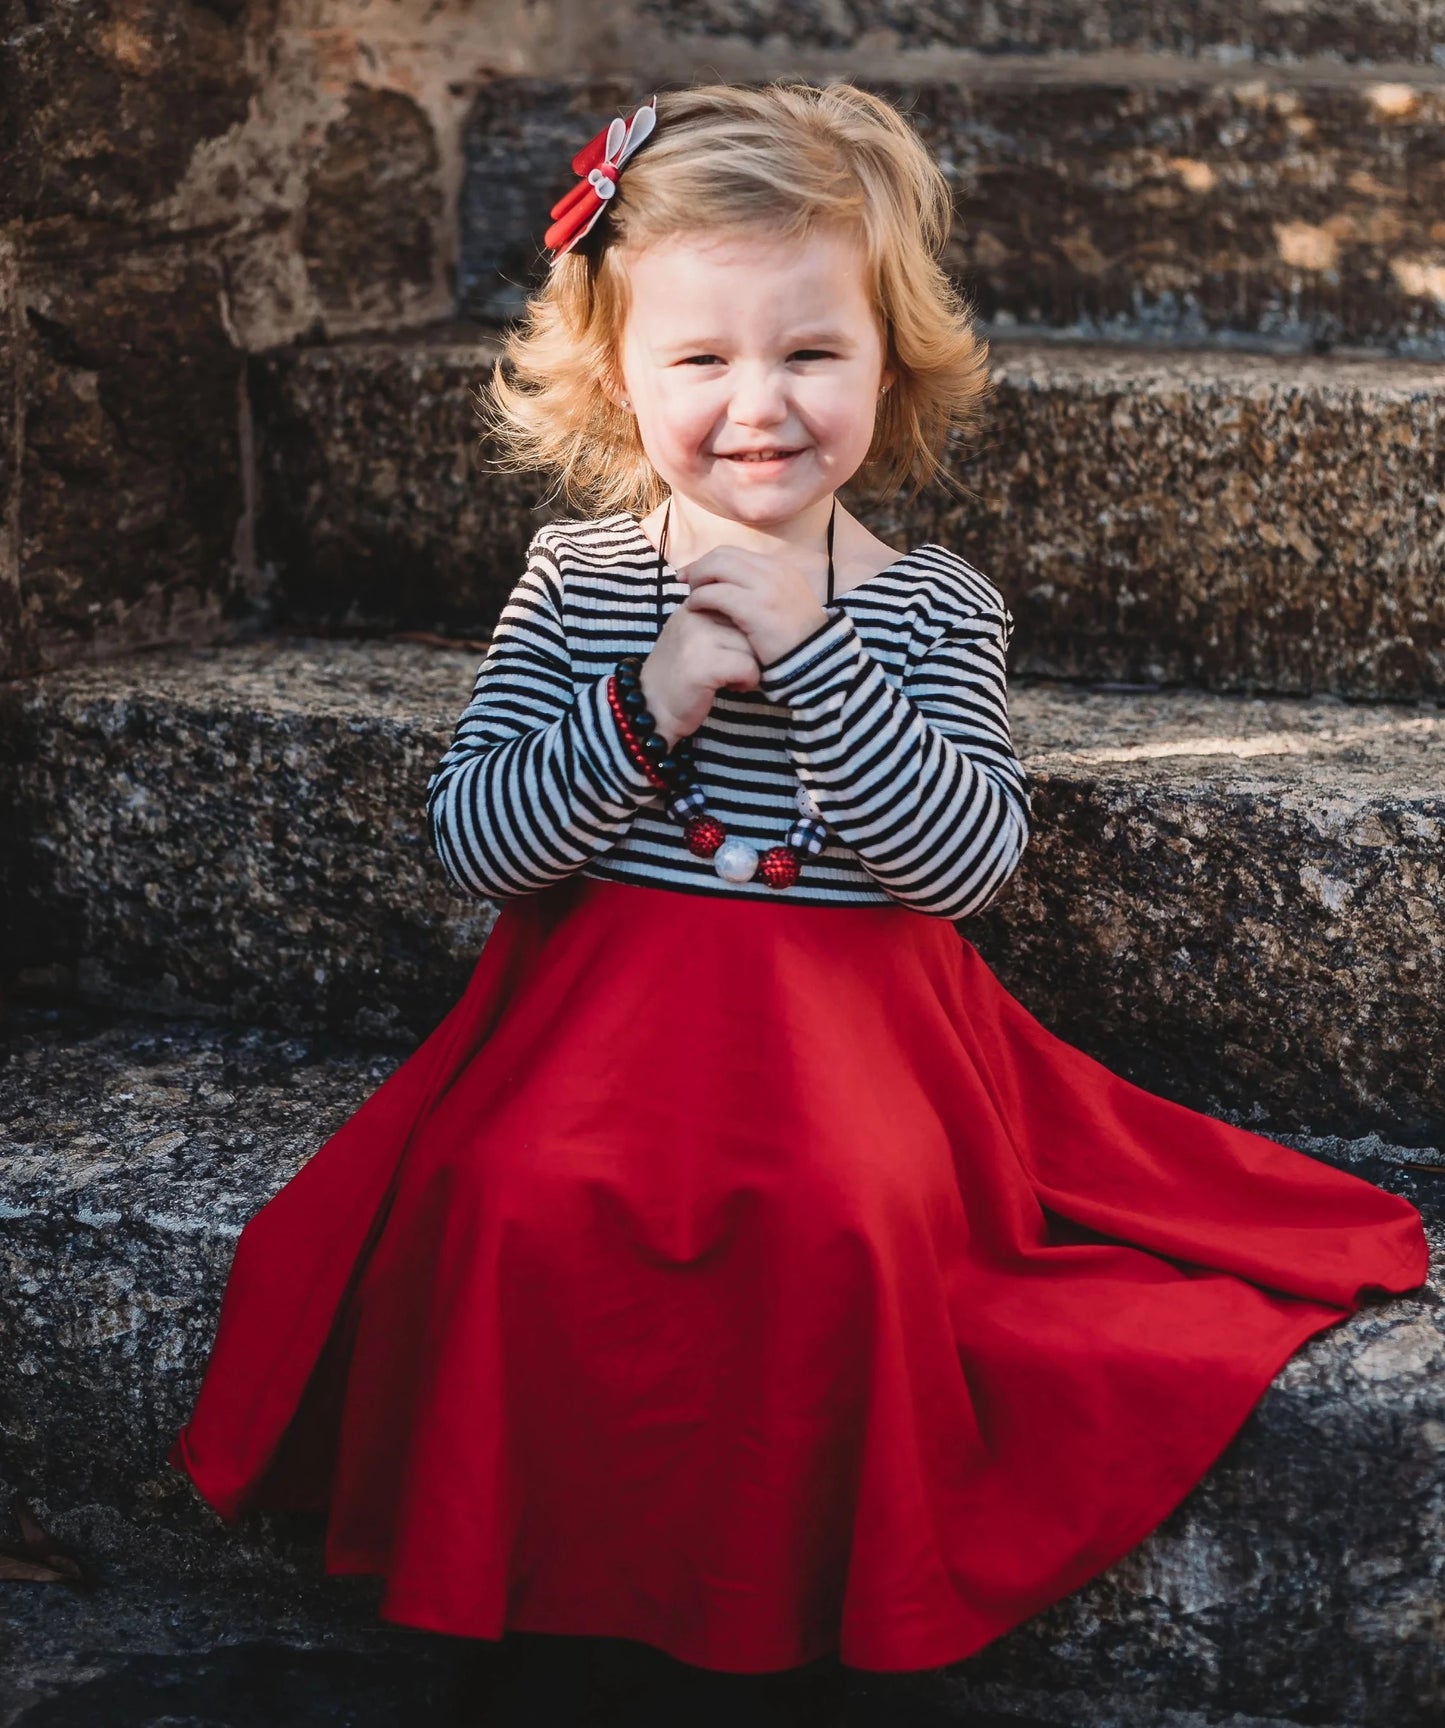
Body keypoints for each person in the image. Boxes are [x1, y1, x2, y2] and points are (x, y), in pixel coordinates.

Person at [168, 82, 1430, 1728]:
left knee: (843, 1213)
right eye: (699, 360)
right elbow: (478, 840)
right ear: (616, 374)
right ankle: (543, 1588)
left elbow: (967, 859)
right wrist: (651, 697)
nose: (756, 406)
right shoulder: (580, 580)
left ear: (888, 362)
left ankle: (787, 1606)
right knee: (510, 1193)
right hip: (602, 1012)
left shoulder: (922, 607)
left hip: (857, 1022)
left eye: (809, 354)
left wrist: (819, 662)